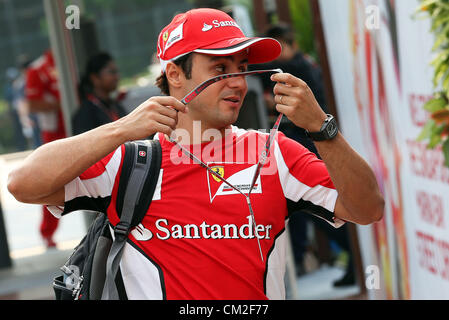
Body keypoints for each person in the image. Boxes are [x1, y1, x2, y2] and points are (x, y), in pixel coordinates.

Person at [8, 8, 384, 300]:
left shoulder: (274, 152)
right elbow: (23, 183)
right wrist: (121, 129)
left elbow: (368, 209)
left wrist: (322, 127)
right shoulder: (131, 159)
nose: (237, 82)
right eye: (220, 69)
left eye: (242, 68)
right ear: (174, 73)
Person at [254, 24, 356, 286]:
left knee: (323, 208)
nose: (273, 60)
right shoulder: (298, 66)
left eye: (278, 50)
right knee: (310, 210)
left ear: (290, 45)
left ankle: (352, 260)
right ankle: (348, 260)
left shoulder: (297, 70)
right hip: (306, 139)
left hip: (308, 139)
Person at [25, 49, 66, 248]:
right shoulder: (38, 69)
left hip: (79, 129)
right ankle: (47, 232)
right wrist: (62, 105)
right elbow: (32, 105)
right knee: (52, 184)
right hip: (54, 136)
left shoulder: (71, 59)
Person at [73, 52, 127, 135]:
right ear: (94, 78)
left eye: (116, 72)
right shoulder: (85, 114)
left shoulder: (115, 105)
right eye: (111, 72)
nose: (117, 77)